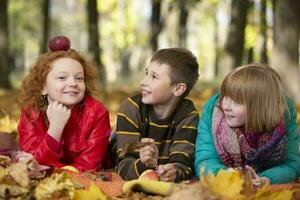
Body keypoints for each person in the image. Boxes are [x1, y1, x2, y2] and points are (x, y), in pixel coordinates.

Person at [194, 64, 300, 185]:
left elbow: (291, 164)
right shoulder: (212, 113)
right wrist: (227, 175)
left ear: (260, 107)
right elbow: (205, 160)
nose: (226, 106)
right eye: (225, 97)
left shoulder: (284, 115)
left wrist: (266, 179)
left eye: (236, 101)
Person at [18, 36, 111, 172]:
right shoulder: (31, 113)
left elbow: (89, 166)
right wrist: (55, 128)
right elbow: (31, 163)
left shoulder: (97, 113)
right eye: (62, 77)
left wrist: (47, 169)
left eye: (79, 78)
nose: (73, 83)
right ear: (43, 86)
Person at [115, 48, 199, 182]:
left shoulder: (188, 116)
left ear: (178, 89)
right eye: (147, 73)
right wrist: (144, 163)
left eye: (154, 77)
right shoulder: (131, 109)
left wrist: (172, 173)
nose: (143, 81)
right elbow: (122, 166)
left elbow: (184, 165)